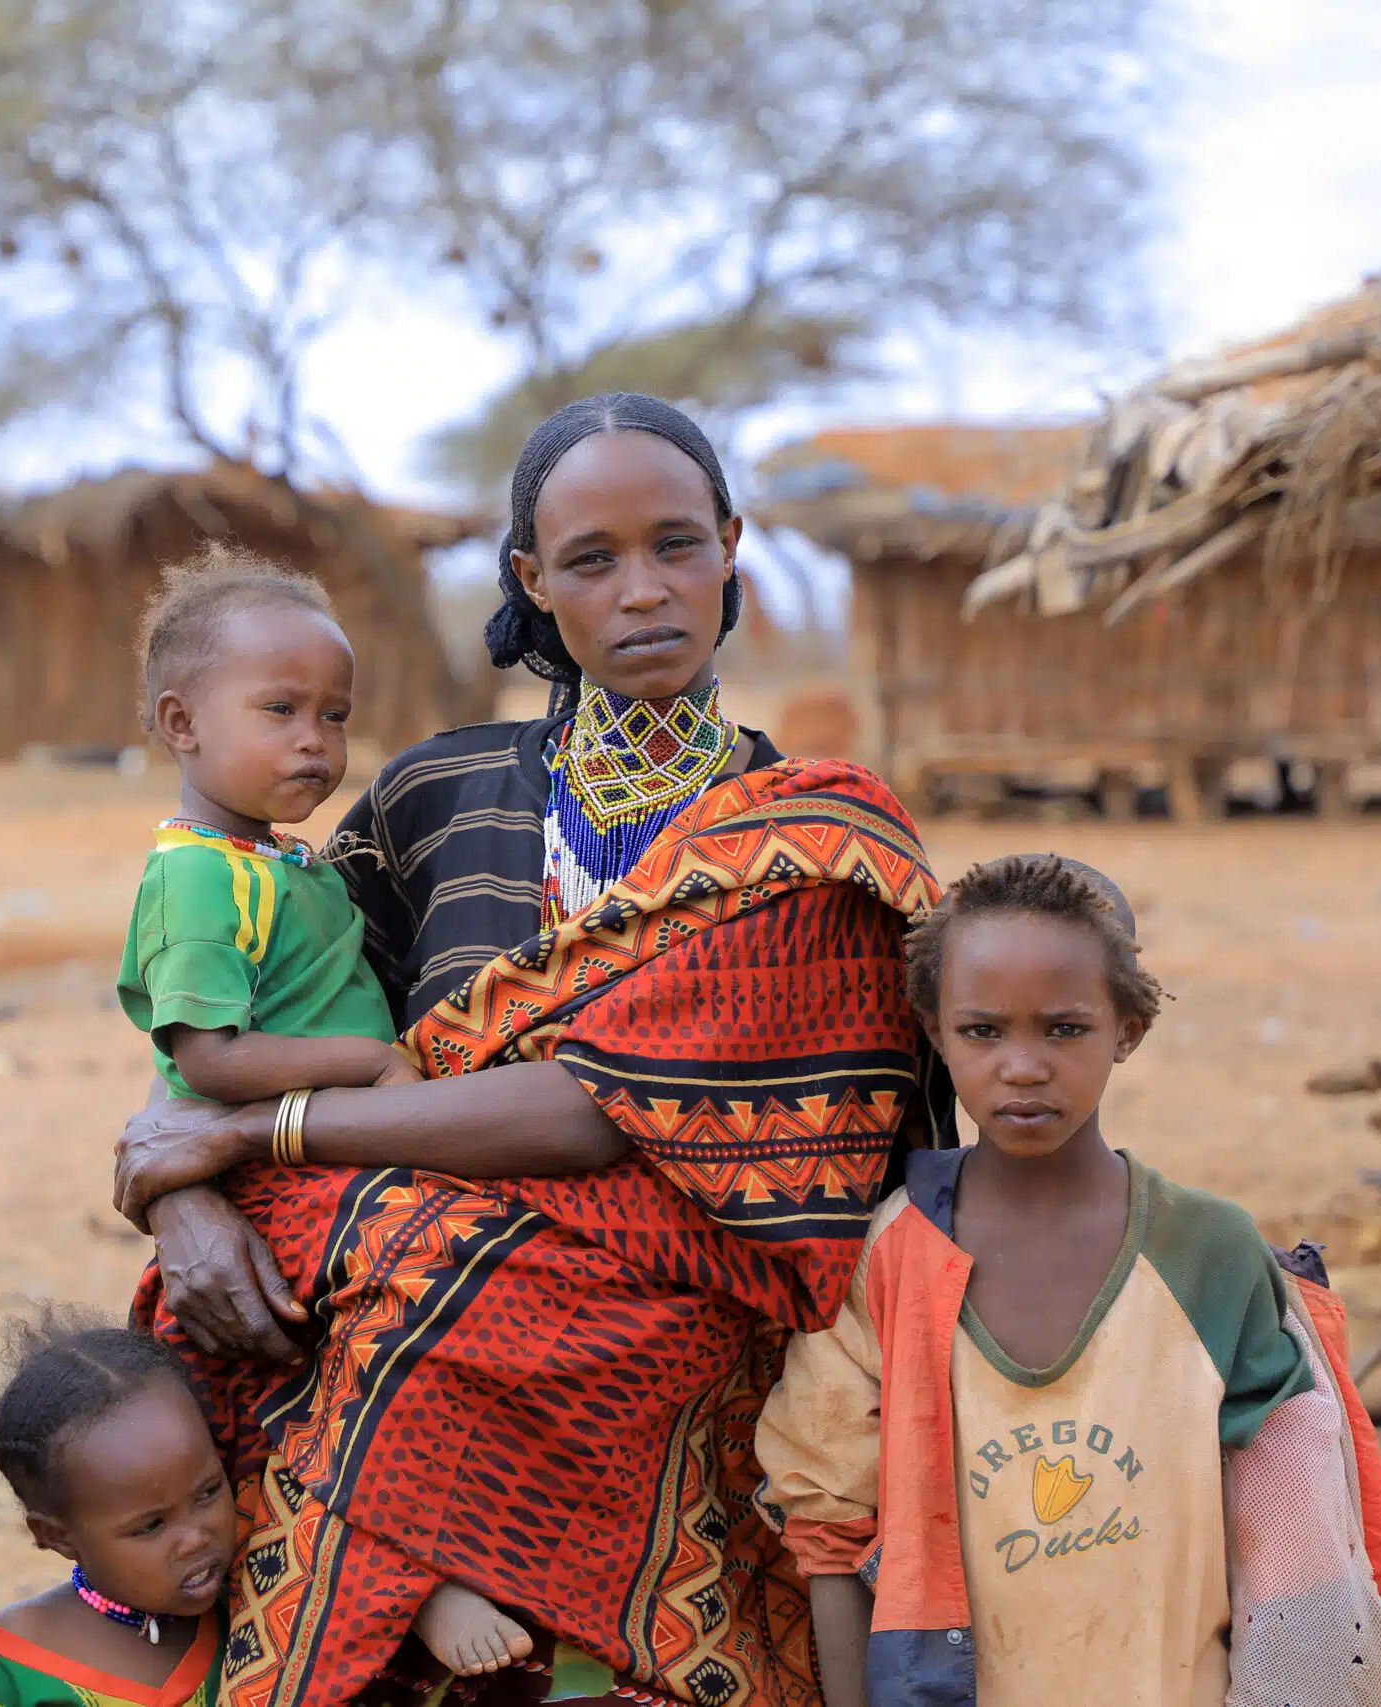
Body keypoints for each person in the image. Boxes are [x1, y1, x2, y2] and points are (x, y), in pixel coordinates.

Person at [114, 394, 945, 1707]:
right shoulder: (427, 800)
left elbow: (604, 1113)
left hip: (698, 1372)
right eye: (593, 559)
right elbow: (248, 1030)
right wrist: (185, 1198)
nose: (644, 591)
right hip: (395, 1323)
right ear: (532, 582)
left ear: (732, 544)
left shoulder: (807, 847)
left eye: (676, 544)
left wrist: (250, 1138)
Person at [754, 854, 1381, 1707]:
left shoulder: (1208, 1253)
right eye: (984, 1030)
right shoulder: (891, 1258)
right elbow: (830, 1528)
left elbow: (1300, 1559)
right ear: (932, 1027)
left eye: (1065, 1029)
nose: (1024, 1065)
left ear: (1129, 1027)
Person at [115, 549, 525, 1674]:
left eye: (334, 715)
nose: (315, 742)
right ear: (180, 722)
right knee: (393, 1330)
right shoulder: (199, 878)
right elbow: (202, 1051)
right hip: (277, 1171)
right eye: (281, 710)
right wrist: (366, 1061)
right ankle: (413, 1561)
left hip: (330, 1145)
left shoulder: (285, 864)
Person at [0, 1313, 236, 1707]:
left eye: (207, 1493)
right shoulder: (16, 1669)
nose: (196, 1537)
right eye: (152, 1525)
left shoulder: (248, 1614)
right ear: (57, 1536)